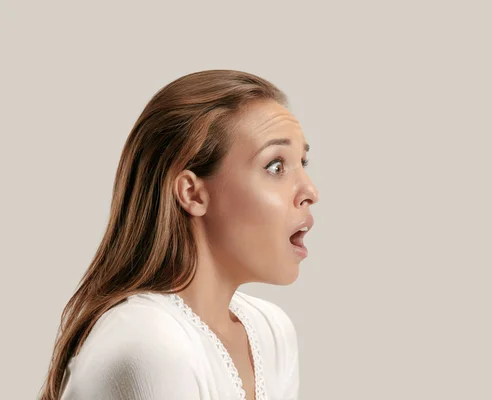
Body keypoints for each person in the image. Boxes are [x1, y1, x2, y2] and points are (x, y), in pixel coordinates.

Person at [38, 70, 319, 400]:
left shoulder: (271, 331)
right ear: (193, 194)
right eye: (276, 166)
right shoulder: (152, 345)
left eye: (303, 162)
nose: (310, 191)